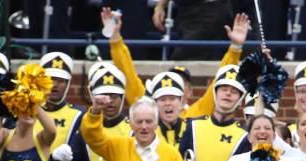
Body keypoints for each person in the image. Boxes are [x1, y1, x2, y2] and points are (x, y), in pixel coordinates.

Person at [104, 7, 249, 117]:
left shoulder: (195, 116)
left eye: (182, 85)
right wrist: (115, 39)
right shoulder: (147, 111)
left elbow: (221, 79)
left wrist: (235, 49)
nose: (173, 88)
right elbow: (128, 76)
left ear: (188, 92)